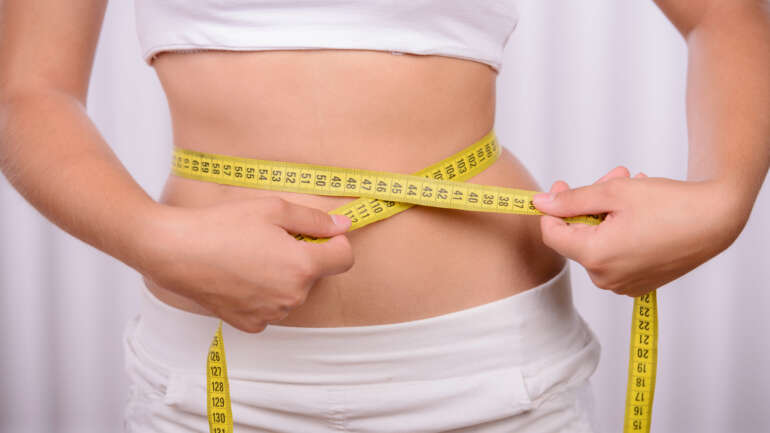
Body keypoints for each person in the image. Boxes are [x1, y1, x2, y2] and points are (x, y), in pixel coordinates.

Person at [0, 1, 768, 432]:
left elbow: (727, 16)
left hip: (489, 371)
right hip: (213, 371)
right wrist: (153, 239)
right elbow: (26, 90)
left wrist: (725, 197)